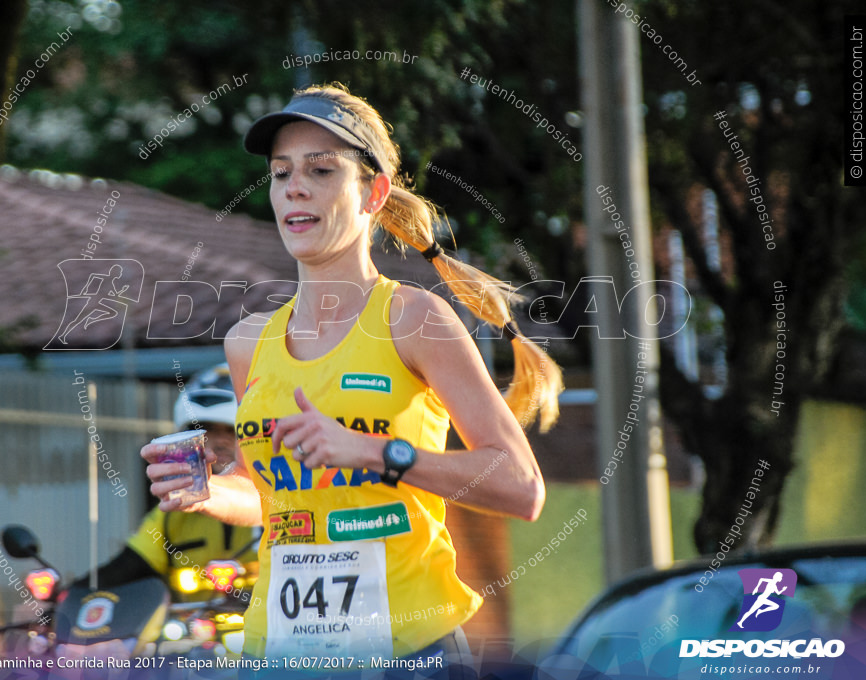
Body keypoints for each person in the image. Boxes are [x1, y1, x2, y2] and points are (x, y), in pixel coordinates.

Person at [141, 83, 563, 676]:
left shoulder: (414, 318)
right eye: (280, 172)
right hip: (281, 652)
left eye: (321, 169)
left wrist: (373, 452)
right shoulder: (248, 342)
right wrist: (210, 492)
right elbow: (271, 497)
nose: (294, 186)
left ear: (374, 193)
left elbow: (521, 487)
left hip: (409, 652)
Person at [74, 366, 256, 592]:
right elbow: (128, 566)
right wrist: (68, 596)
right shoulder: (175, 510)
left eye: (232, 430)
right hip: (190, 626)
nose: (220, 442)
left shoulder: (280, 499)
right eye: (206, 430)